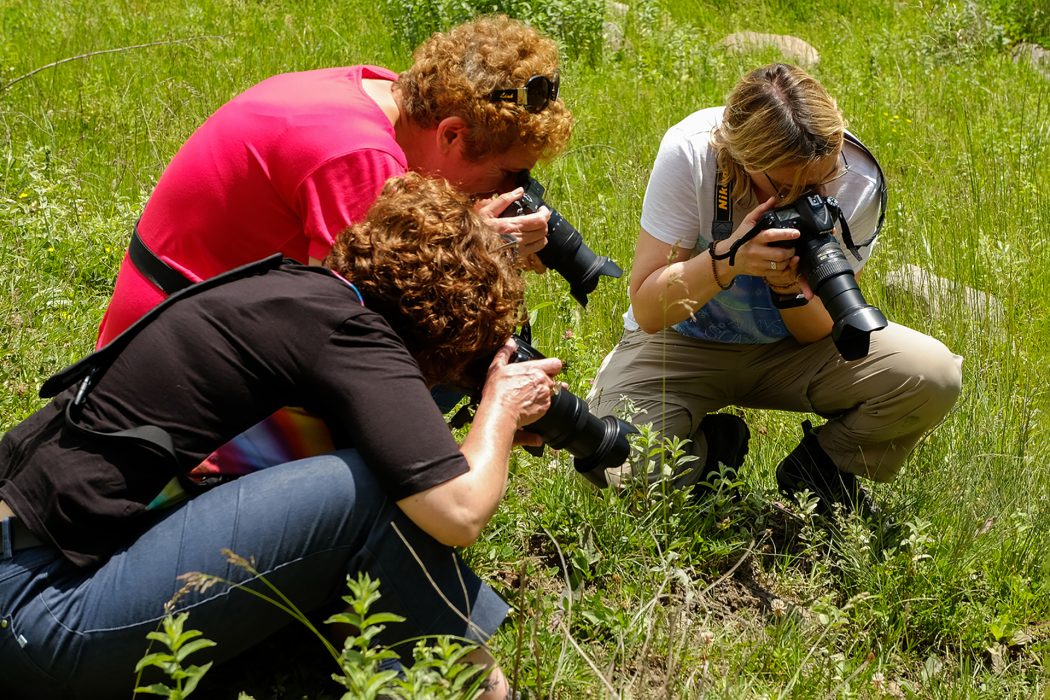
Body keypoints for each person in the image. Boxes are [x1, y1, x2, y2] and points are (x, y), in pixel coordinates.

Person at [0, 174, 562, 699]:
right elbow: (458, 511)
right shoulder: (352, 331)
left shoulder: (297, 293)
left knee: (374, 483)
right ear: (448, 326)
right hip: (41, 607)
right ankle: (476, 686)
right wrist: (501, 404)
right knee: (372, 489)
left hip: (29, 580)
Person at [586, 63, 963, 514]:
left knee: (932, 375)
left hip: (791, 353)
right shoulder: (691, 153)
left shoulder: (858, 180)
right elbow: (649, 308)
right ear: (744, 157)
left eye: (823, 179)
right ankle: (709, 454)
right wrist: (728, 262)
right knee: (618, 474)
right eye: (787, 186)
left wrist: (789, 288)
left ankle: (822, 470)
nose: (811, 195)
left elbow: (817, 331)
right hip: (679, 343)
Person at [97, 13, 572, 346]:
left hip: (182, 323)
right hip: (172, 372)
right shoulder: (360, 157)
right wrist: (478, 249)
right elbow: (361, 333)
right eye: (511, 173)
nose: (509, 189)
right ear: (451, 133)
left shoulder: (385, 95)